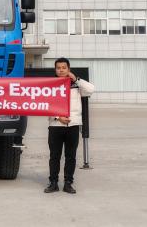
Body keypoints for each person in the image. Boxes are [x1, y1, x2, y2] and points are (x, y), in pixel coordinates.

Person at [44, 57, 94, 194]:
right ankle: (53, 183)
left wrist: (76, 79)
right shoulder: (50, 85)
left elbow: (91, 89)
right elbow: (46, 104)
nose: (61, 70)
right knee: (54, 156)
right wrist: (58, 117)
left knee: (70, 156)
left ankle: (68, 183)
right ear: (55, 70)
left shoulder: (77, 85)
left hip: (73, 125)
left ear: (68, 69)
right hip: (55, 126)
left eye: (64, 68)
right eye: (58, 68)